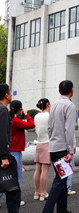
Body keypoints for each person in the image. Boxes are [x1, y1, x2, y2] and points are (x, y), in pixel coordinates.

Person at [42, 80, 76, 213]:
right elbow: (69, 129)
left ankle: (62, 209)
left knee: (62, 178)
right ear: (72, 91)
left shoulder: (54, 104)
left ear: (59, 91)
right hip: (63, 147)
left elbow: (49, 127)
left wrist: (53, 139)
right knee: (60, 180)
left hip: (54, 145)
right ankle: (47, 210)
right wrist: (70, 149)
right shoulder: (70, 105)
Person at [10, 100, 36, 206]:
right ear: (19, 109)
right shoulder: (15, 121)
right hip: (15, 151)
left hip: (8, 150)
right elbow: (31, 124)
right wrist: (26, 114)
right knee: (17, 176)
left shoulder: (7, 119)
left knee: (7, 176)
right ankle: (16, 199)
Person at [0, 84, 21, 213]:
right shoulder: (2, 110)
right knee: (13, 191)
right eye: (10, 92)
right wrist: (4, 157)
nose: (11, 95)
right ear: (6, 95)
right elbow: (2, 134)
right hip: (3, 156)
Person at [34, 98, 51, 201]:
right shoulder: (49, 116)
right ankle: (44, 192)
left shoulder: (36, 116)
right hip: (47, 142)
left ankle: (37, 191)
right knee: (45, 170)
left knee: (38, 169)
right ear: (48, 104)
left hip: (38, 142)